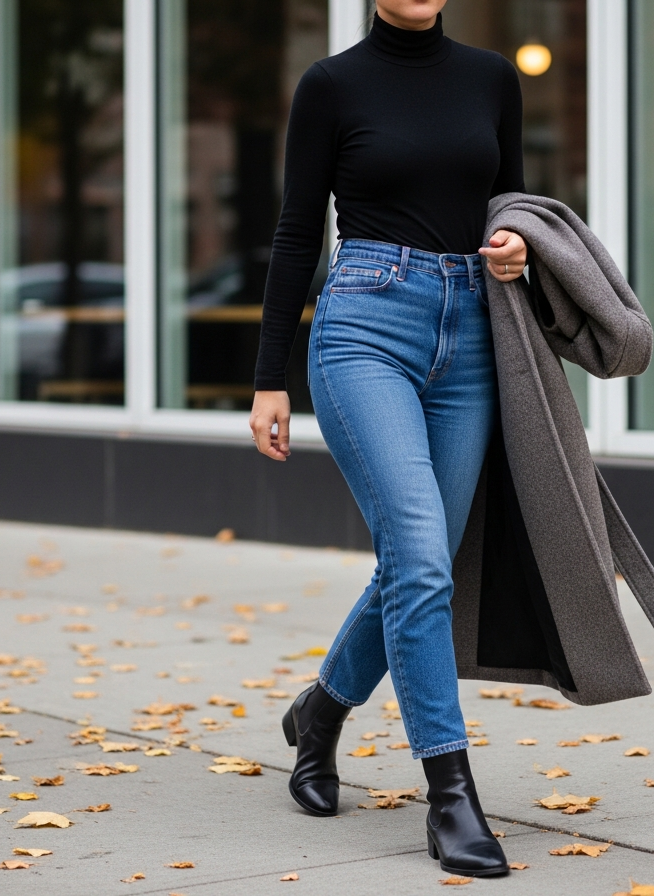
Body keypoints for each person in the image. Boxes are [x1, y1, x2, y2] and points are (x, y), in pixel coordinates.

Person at [248, 0, 526, 878]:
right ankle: (451, 795)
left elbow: (507, 206)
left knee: (421, 560)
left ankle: (320, 715)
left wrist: (514, 245)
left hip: (472, 339)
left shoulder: (492, 77)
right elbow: (298, 231)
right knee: (420, 555)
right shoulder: (330, 85)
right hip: (366, 323)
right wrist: (267, 377)